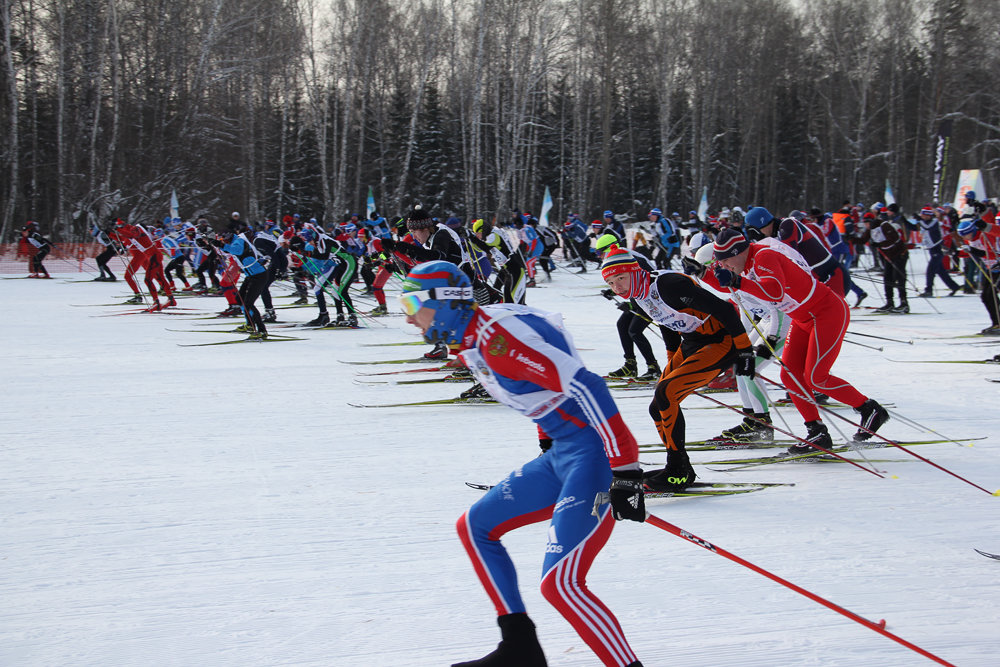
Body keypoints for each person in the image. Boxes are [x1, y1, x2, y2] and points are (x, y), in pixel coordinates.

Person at [399, 260, 644, 667]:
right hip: (564, 452)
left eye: (412, 304)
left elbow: (587, 385)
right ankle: (519, 646)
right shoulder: (475, 336)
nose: (408, 318)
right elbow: (544, 389)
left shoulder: (497, 342)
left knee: (561, 585)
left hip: (594, 454)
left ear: (446, 302)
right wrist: (548, 442)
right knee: (475, 526)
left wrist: (626, 473)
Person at [698, 228, 890, 453]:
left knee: (816, 378)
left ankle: (869, 409)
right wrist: (703, 274)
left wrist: (736, 280)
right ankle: (816, 432)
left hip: (826, 313)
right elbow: (730, 284)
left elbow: (774, 292)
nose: (725, 266)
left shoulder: (764, 257)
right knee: (789, 376)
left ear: (739, 252)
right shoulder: (745, 263)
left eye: (726, 261)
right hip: (803, 319)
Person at [601, 247, 754, 491]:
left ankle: (677, 470)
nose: (617, 287)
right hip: (692, 342)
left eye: (621, 278)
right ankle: (680, 465)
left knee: (666, 394)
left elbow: (724, 309)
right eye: (610, 282)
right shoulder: (638, 295)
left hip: (721, 341)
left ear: (634, 272)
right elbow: (666, 322)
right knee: (657, 406)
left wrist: (745, 350)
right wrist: (673, 358)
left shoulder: (668, 285)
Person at [595, 234, 662, 381]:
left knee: (635, 331)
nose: (599, 256)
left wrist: (631, 304)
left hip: (652, 299)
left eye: (600, 252)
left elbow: (644, 281)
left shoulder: (628, 257)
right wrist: (613, 291)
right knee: (622, 324)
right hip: (640, 299)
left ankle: (653, 368)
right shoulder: (619, 256)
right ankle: (630, 365)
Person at [212, 224, 269, 337]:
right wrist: (213, 244)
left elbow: (236, 250)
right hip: (251, 276)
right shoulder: (232, 242)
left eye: (225, 240)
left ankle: (262, 331)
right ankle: (250, 324)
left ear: (228, 237)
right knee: (240, 299)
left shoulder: (238, 241)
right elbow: (225, 251)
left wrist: (222, 245)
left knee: (248, 303)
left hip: (259, 276)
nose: (225, 242)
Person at [956, 218, 1000, 334]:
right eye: (962, 236)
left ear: (972, 230)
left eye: (966, 235)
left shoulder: (984, 236)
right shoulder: (968, 240)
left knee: (991, 295)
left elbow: (993, 254)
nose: (965, 238)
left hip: (997, 267)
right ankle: (996, 323)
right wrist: (955, 253)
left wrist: (974, 251)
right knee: (985, 296)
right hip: (989, 269)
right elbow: (969, 251)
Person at [870, 204, 911, 313]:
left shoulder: (896, 223)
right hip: (889, 254)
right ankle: (890, 303)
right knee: (888, 277)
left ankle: (904, 303)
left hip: (900, 253)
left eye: (886, 214)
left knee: (899, 277)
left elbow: (900, 238)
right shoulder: (883, 225)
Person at [917, 206, 962, 298]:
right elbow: (916, 227)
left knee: (930, 271)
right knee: (940, 271)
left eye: (924, 215)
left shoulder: (934, 222)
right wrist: (904, 220)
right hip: (933, 248)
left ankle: (928, 290)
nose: (922, 216)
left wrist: (918, 220)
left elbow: (928, 227)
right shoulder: (926, 222)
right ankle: (954, 286)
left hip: (936, 249)